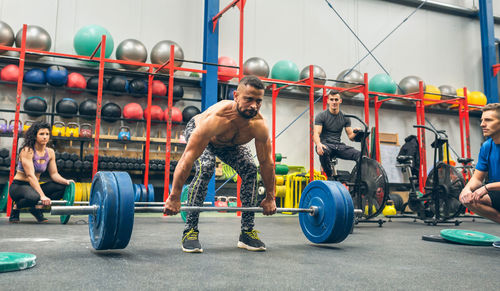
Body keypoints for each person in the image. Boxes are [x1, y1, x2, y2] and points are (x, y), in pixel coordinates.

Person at [164, 75, 277, 253]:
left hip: (230, 145)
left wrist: (270, 197)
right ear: (236, 95)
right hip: (204, 135)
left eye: (258, 101)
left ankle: (247, 232)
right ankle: (190, 231)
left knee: (250, 169)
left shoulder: (259, 125)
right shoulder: (217, 118)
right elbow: (188, 158)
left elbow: (266, 163)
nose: (254, 106)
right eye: (248, 99)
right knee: (206, 167)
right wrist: (174, 196)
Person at [9, 121, 74, 223]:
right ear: (35, 136)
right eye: (41, 134)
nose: (45, 137)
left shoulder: (50, 152)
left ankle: (36, 208)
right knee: (35, 197)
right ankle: (16, 206)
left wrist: (65, 181)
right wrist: (42, 195)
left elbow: (54, 174)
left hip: (34, 186)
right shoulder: (27, 150)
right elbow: (30, 175)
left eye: (47, 134)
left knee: (62, 187)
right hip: (19, 186)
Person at [459, 103, 500, 224]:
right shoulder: (487, 146)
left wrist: (486, 187)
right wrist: (466, 190)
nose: (482, 124)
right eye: (482, 120)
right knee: (469, 199)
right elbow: (477, 178)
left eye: (488, 120)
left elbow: (485, 186)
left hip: (493, 188)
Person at [313, 91, 361, 180]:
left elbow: (351, 136)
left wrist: (356, 132)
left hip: (339, 146)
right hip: (326, 145)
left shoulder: (345, 117)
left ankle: (356, 178)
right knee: (323, 150)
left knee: (359, 155)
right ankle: (329, 175)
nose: (334, 102)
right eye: (331, 100)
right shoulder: (321, 116)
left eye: (336, 100)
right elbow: (316, 133)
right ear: (328, 101)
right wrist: (318, 144)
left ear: (340, 101)